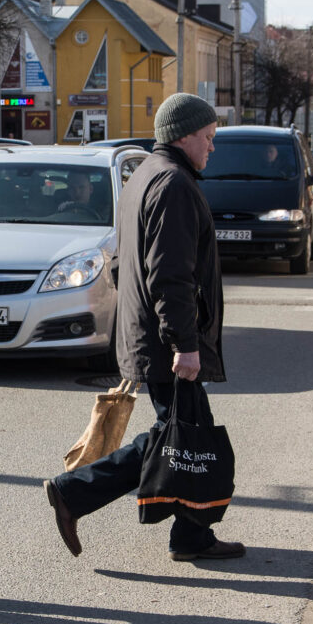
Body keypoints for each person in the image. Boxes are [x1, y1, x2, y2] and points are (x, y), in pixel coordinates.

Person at [43, 93, 244, 562]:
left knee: (184, 433)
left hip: (149, 335)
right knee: (177, 436)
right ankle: (74, 492)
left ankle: (190, 535)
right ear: (184, 135)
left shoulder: (147, 175)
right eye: (208, 137)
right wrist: (184, 344)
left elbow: (132, 265)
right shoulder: (172, 183)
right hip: (165, 342)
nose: (212, 147)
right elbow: (170, 275)